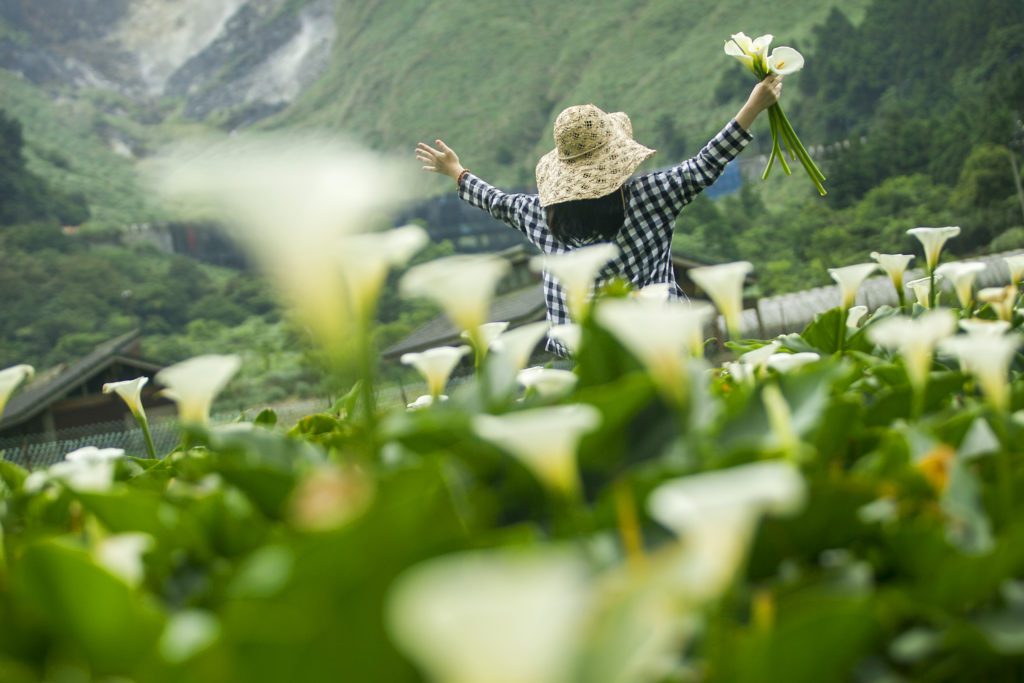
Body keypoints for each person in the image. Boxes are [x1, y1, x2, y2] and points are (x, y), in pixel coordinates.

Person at [415, 74, 783, 356]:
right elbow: (705, 164)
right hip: (662, 343)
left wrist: (457, 173)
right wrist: (754, 106)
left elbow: (497, 202)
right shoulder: (651, 195)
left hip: (586, 358)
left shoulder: (542, 216)